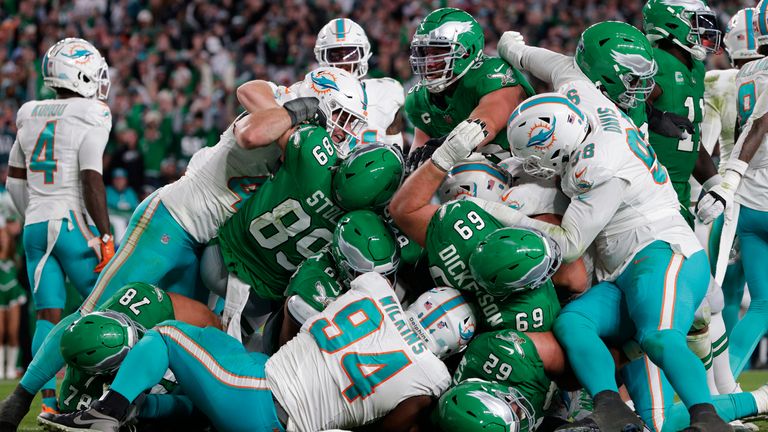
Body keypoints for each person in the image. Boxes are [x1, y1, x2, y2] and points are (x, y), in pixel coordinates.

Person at [0, 66, 345, 430]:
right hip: (172, 220)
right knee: (94, 311)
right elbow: (250, 101)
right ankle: (19, 399)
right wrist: (296, 111)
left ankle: (117, 410)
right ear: (313, 98)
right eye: (336, 114)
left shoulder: (306, 149)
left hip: (207, 244)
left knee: (175, 339)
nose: (338, 127)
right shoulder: (280, 105)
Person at [460, 92, 725, 430]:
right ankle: (610, 408)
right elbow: (563, 70)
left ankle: (707, 417)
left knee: (658, 337)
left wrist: (498, 211)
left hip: (661, 249)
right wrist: (517, 49)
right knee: (573, 323)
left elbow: (569, 244)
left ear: (556, 139)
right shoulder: (590, 119)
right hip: (623, 270)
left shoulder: (597, 164)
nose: (531, 161)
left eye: (534, 150)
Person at [39, 273, 474, 432]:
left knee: (168, 334)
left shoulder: (376, 289)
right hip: (286, 414)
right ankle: (143, 413)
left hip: (261, 393)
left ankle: (107, 412)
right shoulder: (433, 377)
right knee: (211, 376)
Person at [5, 37, 114, 414]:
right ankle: (104, 392)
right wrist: (104, 233)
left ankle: (47, 404)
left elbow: (14, 182)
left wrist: (33, 216)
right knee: (110, 304)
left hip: (35, 225)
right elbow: (90, 178)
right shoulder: (92, 112)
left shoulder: (29, 112)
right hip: (70, 223)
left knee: (47, 315)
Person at [404, 8, 534, 172]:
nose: (428, 62)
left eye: (437, 52)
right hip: (474, 179)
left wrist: (443, 150)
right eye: (424, 52)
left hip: (526, 168)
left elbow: (482, 126)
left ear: (467, 52)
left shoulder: (490, 73)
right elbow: (419, 157)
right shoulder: (419, 98)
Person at [719, 0, 768, 380]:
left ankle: (724, 386)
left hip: (741, 199)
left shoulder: (736, 76)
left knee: (753, 303)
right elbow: (760, 125)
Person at [315, 18, 406, 149]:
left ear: (363, 54)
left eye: (350, 54)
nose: (343, 62)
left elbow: (396, 152)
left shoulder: (385, 93)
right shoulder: (311, 95)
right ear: (322, 57)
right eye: (335, 55)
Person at [0, 220, 25, 380]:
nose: (2, 239)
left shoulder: (15, 255)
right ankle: (1, 369)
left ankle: (11, 368)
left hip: (13, 294)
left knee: (12, 332)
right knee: (0, 332)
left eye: (5, 237)